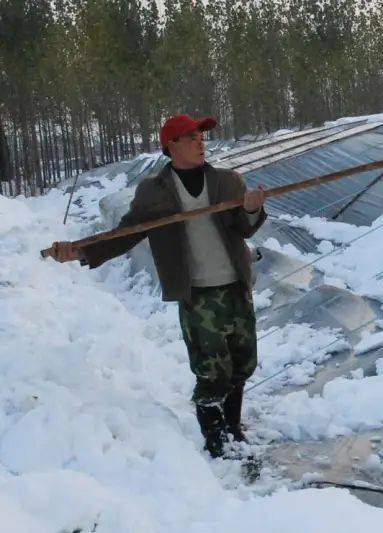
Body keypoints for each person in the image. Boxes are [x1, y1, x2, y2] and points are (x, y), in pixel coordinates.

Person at [49, 114, 269, 458]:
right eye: (192, 137)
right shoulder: (153, 191)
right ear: (172, 146)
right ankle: (216, 441)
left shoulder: (228, 182)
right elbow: (126, 233)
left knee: (242, 363)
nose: (201, 143)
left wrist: (253, 210)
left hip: (235, 286)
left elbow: (243, 228)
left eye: (202, 137)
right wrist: (80, 251)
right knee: (213, 370)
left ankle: (232, 428)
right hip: (197, 293)